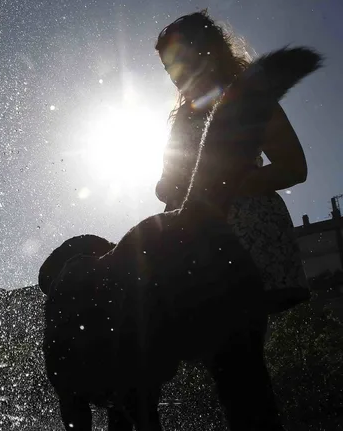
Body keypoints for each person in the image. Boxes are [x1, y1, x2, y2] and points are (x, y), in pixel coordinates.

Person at [154, 10, 311, 429]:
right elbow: (170, 181)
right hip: (197, 243)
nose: (172, 73)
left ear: (205, 51)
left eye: (177, 59)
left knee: (236, 362)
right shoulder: (183, 116)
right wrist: (168, 188)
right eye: (166, 66)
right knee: (230, 366)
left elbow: (294, 167)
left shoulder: (247, 98)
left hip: (241, 238)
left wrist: (226, 184)